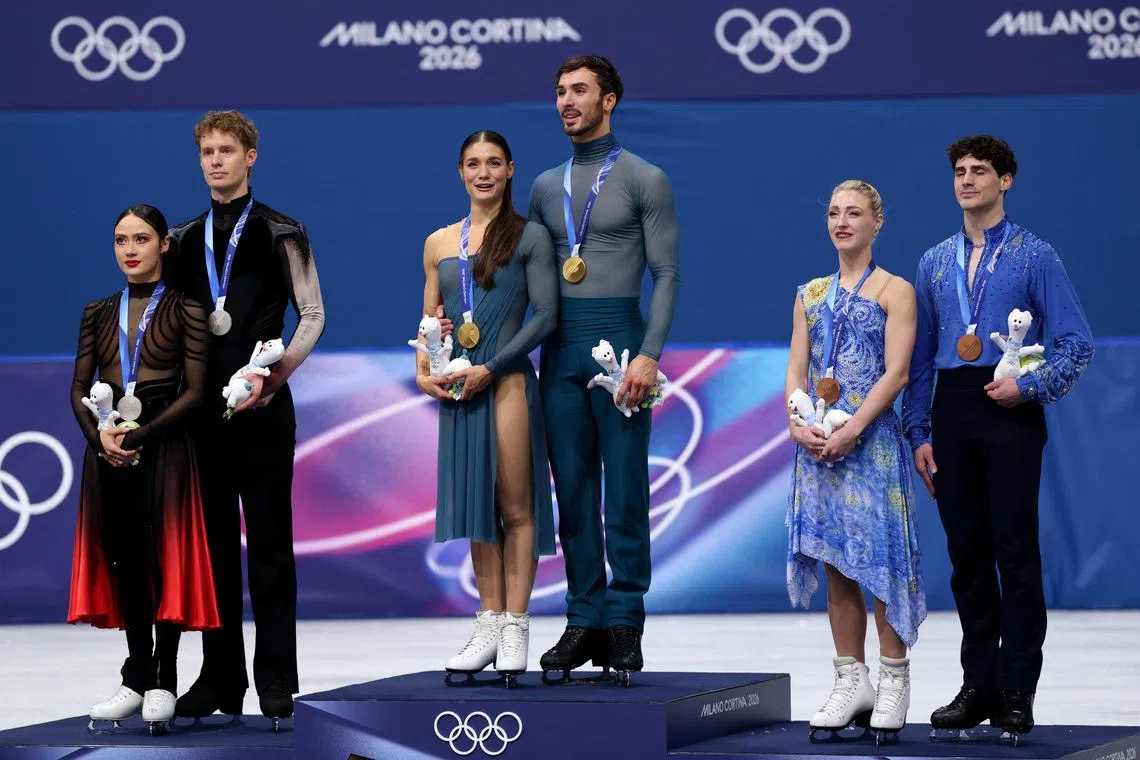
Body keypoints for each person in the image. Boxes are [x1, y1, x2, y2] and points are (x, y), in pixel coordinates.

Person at [901, 135, 1094, 736]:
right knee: (966, 558)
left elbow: (1076, 343)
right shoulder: (934, 262)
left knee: (1014, 550)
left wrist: (1030, 389)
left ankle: (1016, 688)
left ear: (1005, 180)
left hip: (1009, 406)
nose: (966, 180)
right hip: (952, 410)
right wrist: (918, 432)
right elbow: (922, 360)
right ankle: (976, 684)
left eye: (979, 171)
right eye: (959, 171)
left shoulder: (1037, 256)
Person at [162, 110, 326, 725]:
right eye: (206, 150)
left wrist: (273, 377)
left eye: (227, 149)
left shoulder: (283, 231)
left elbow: (312, 316)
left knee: (270, 550)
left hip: (264, 410)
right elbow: (167, 324)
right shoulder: (180, 242)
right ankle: (221, 678)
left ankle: (277, 678)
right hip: (201, 417)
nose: (215, 160)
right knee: (214, 555)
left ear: (251, 156)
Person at [526, 54, 680, 684]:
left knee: (624, 490)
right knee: (574, 493)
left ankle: (624, 618)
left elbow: (667, 274)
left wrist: (649, 353)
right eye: (560, 91)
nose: (567, 101)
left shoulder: (646, 178)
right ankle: (582, 615)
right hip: (558, 350)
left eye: (580, 91)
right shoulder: (541, 187)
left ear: (609, 99)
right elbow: (527, 280)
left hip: (621, 345)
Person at [68, 204, 220, 730]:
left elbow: (198, 391)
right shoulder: (96, 311)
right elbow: (78, 385)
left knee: (163, 561)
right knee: (125, 561)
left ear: (163, 245)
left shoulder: (186, 309)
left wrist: (143, 434)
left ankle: (164, 679)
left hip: (165, 443)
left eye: (140, 239)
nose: (129, 250)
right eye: (120, 240)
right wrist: (100, 438)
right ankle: (135, 676)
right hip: (109, 447)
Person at [416, 130, 559, 685]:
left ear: (509, 170)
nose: (484, 173)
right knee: (477, 506)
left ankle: (518, 624)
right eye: (473, 163)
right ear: (460, 172)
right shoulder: (437, 243)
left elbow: (545, 315)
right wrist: (426, 369)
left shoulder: (531, 237)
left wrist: (492, 367)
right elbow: (431, 323)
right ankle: (488, 622)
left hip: (505, 382)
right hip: (458, 385)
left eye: (493, 163)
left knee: (514, 505)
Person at [785, 180, 926, 741]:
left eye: (855, 213)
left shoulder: (896, 291)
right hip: (819, 447)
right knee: (837, 564)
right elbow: (797, 367)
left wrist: (855, 428)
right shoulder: (809, 293)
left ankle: (893, 677)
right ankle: (852, 678)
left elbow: (897, 372)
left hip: (872, 447)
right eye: (835, 213)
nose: (842, 221)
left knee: (883, 564)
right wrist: (798, 421)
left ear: (877, 222)